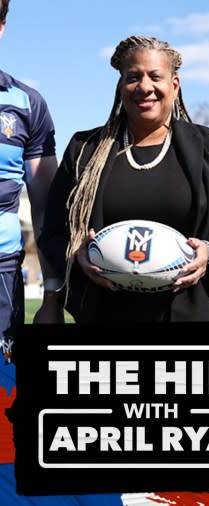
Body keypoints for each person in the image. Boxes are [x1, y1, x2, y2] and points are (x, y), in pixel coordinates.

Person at [35, 35, 209, 323]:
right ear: (121, 87)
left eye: (155, 76)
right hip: (108, 318)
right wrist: (77, 256)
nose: (145, 87)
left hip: (198, 320)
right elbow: (52, 232)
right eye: (133, 77)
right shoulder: (85, 150)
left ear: (174, 85)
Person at [0, 0, 58, 359]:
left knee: (3, 407)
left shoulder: (26, 104)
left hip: (2, 274)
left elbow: (46, 207)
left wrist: (52, 295)